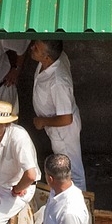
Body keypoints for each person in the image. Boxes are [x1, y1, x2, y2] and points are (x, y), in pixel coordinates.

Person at [29, 39, 86, 191]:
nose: (32, 47)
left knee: (72, 171)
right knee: (67, 166)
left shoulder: (58, 82)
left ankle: (82, 206)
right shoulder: (56, 57)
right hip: (56, 128)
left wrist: (42, 121)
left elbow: (66, 118)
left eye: (36, 48)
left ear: (47, 57)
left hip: (63, 131)